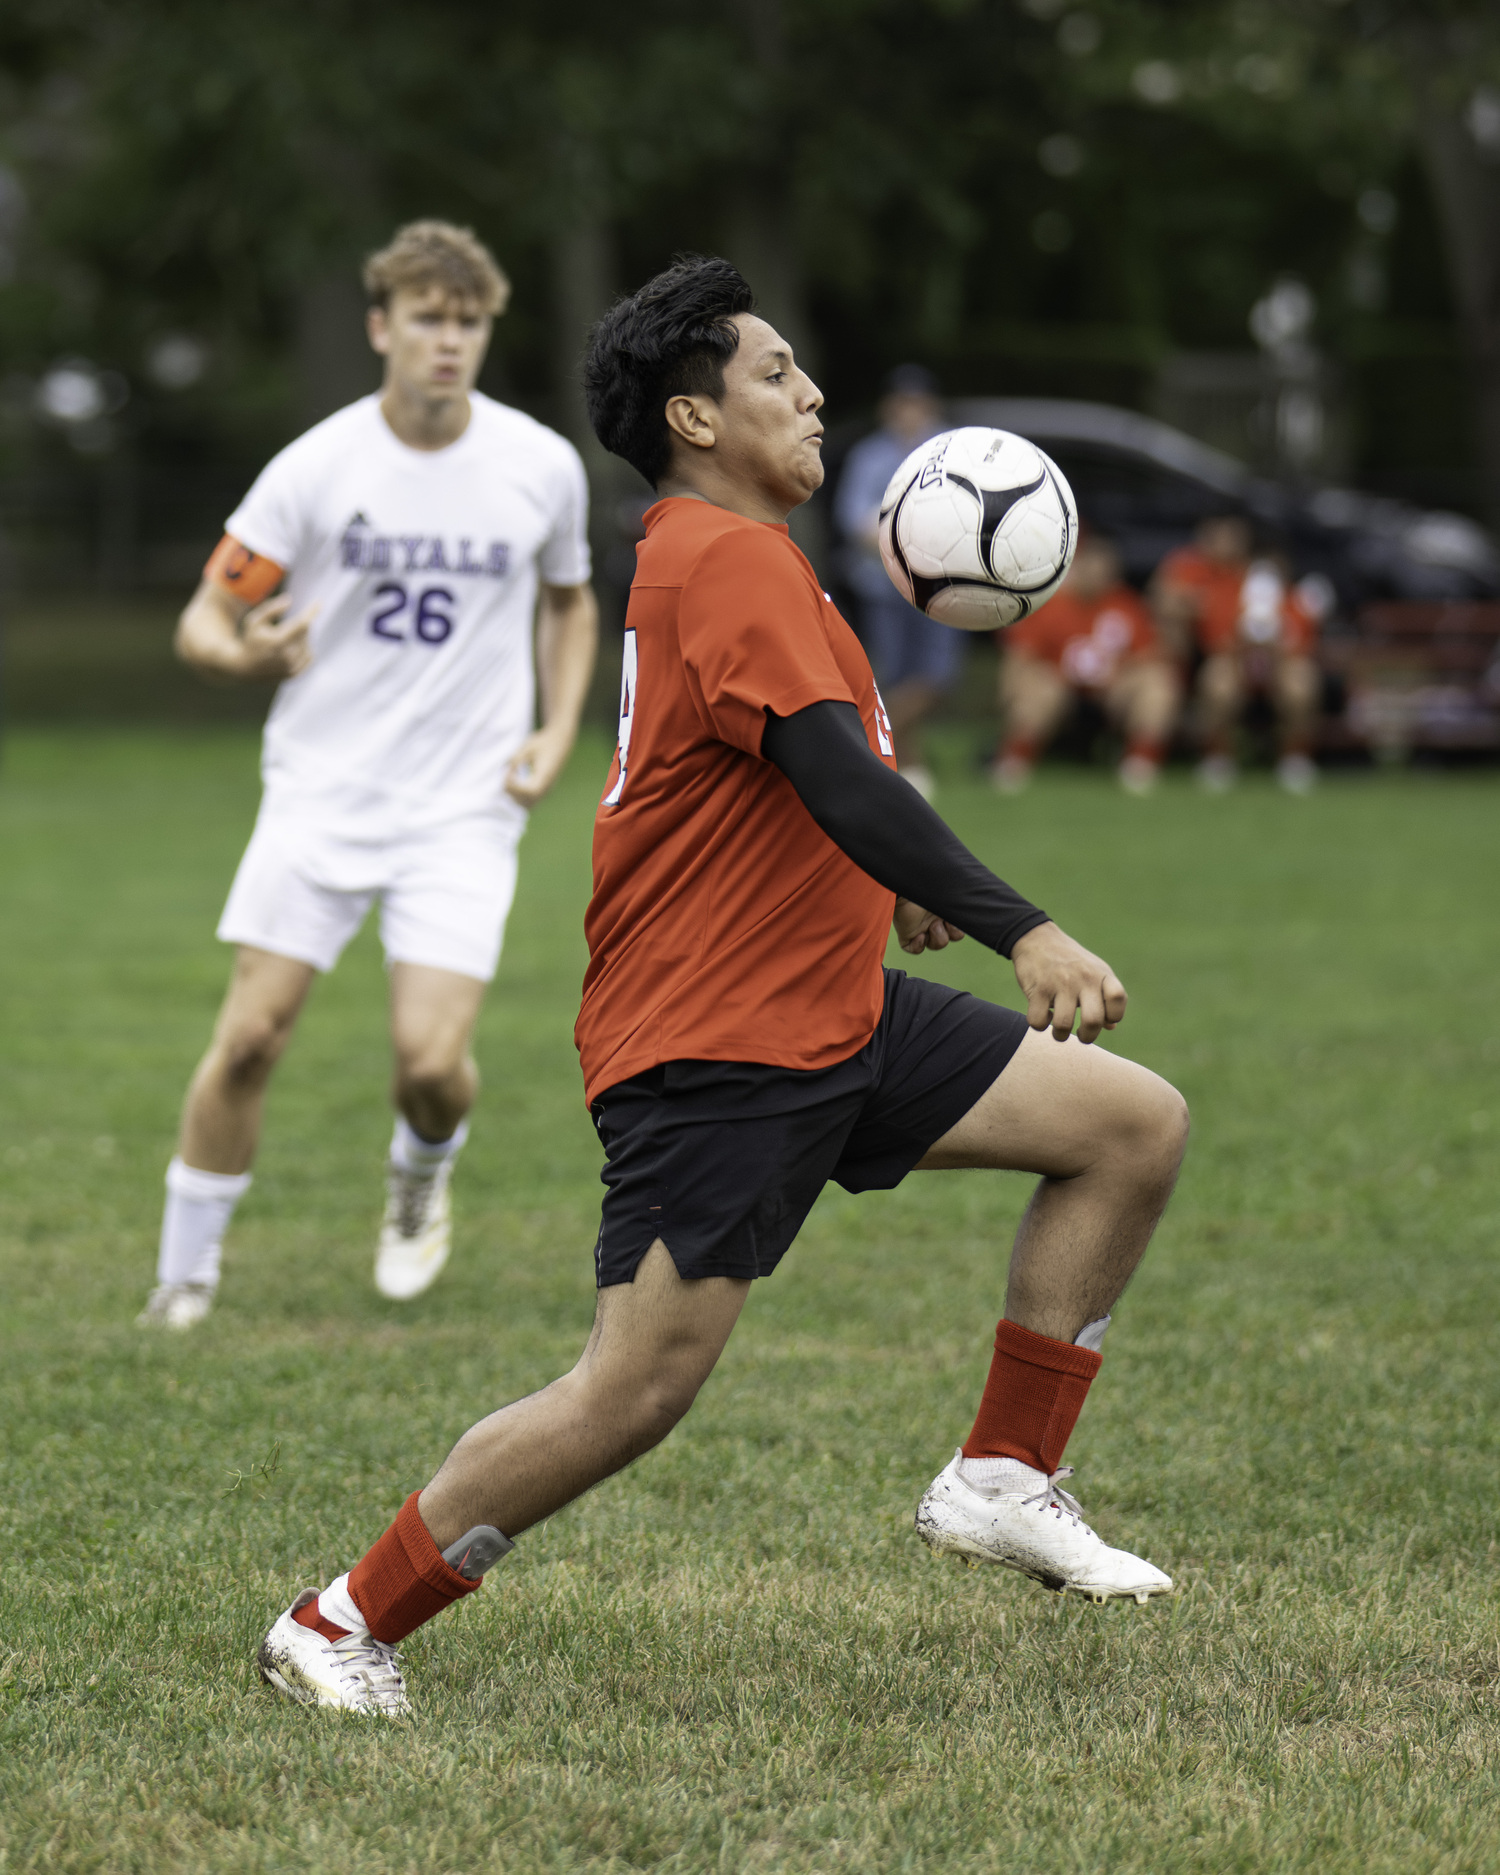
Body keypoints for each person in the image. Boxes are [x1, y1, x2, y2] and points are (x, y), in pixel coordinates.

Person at [255, 257, 1189, 1717]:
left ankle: (1005, 1470)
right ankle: (338, 1613)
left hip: (832, 1010)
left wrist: (873, 883)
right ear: (692, 414)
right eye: (774, 375)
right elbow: (831, 771)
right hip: (720, 1044)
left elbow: (782, 779)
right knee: (632, 1391)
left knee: (1128, 1127)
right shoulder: (724, 556)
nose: (811, 393)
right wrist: (1021, 925)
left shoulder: (738, 561)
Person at [136, 221, 598, 1329]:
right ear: (382, 327)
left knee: (430, 1062)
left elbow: (572, 603)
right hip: (321, 793)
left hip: (462, 805)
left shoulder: (541, 465)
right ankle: (184, 1277)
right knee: (249, 1037)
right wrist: (241, 653)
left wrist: (557, 724)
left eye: (469, 322)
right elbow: (207, 614)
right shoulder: (316, 467)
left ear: (488, 332)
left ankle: (421, 1172)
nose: (449, 342)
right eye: (429, 319)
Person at [833, 364, 960, 800]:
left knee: (936, 676)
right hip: (883, 585)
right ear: (889, 407)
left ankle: (864, 748)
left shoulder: (951, 448)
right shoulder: (870, 455)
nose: (910, 410)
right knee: (895, 671)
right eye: (902, 402)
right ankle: (909, 764)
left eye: (917, 402)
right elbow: (853, 517)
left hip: (944, 584)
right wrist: (908, 532)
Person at [991, 533, 1181, 796]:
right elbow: (1021, 655)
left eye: (1104, 567)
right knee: (1040, 688)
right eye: (1090, 565)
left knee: (1157, 684)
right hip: (1059, 688)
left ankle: (1140, 764)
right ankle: (1014, 762)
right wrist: (1013, 691)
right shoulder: (1050, 603)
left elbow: (1148, 656)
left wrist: (1123, 676)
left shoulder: (1126, 605)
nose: (1097, 573)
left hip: (1113, 690)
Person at [1152, 512, 1324, 794]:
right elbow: (1171, 607)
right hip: (1231, 660)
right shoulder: (1199, 574)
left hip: (1278, 662)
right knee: (1217, 680)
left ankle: (1295, 758)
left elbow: (1298, 636)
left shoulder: (1272, 583)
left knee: (1301, 682)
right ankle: (1218, 758)